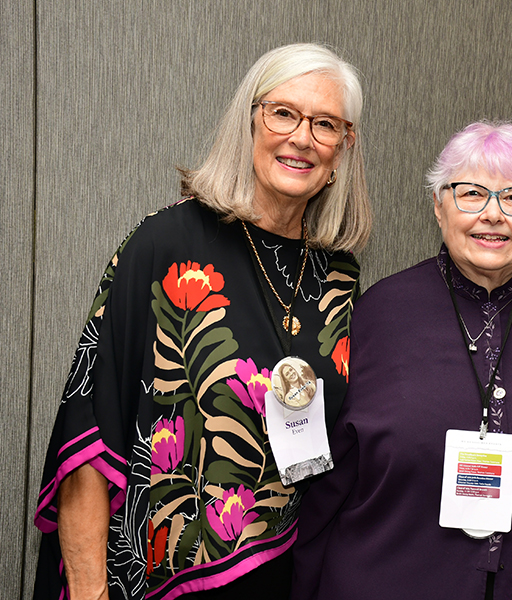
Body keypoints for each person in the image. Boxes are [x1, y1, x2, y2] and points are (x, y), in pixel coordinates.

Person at [32, 43, 371, 600]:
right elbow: (88, 436)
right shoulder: (165, 247)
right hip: (154, 582)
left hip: (289, 577)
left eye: (326, 124)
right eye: (283, 112)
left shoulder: (339, 278)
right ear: (250, 120)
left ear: (344, 148)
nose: (302, 138)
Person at [291, 122, 512, 599]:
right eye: (471, 194)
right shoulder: (377, 312)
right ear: (438, 207)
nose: (493, 215)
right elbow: (328, 476)